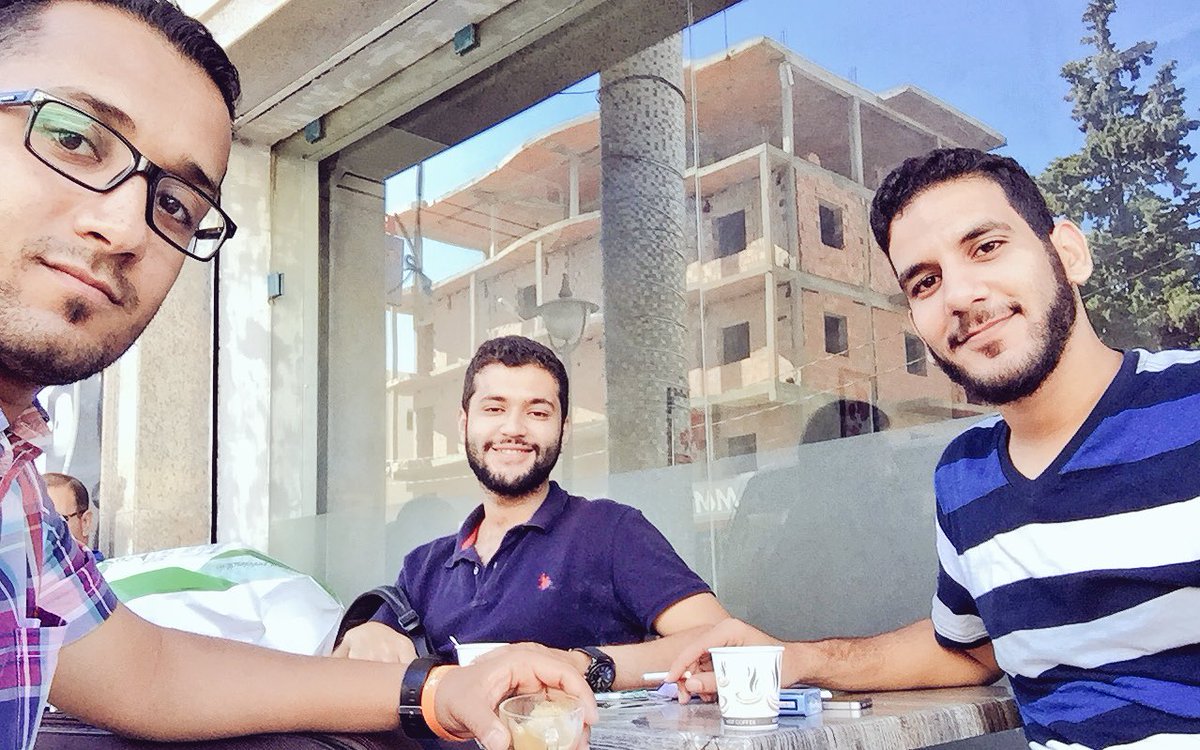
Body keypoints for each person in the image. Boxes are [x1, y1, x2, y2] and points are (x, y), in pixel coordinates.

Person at [0, 2, 595, 749]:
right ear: (461, 422)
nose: (122, 227)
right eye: (73, 139)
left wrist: (440, 689)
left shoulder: (15, 489)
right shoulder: (429, 563)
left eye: (175, 204)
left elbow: (145, 672)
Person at [667, 148, 1200, 749]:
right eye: (925, 282)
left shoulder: (1190, 407)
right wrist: (795, 658)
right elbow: (968, 650)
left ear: (1068, 253)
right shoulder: (968, 474)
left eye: (986, 247)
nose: (960, 295)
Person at [336, 335, 729, 690]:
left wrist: (578, 665)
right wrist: (364, 636)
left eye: (538, 413)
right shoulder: (423, 568)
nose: (513, 428)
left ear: (564, 429)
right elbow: (345, 675)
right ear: (464, 423)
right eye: (494, 408)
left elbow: (719, 643)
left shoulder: (610, 532)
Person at [44, 471, 103, 560]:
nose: (45, 532)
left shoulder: (106, 569)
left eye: (57, 522)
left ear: (85, 522)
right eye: (36, 523)